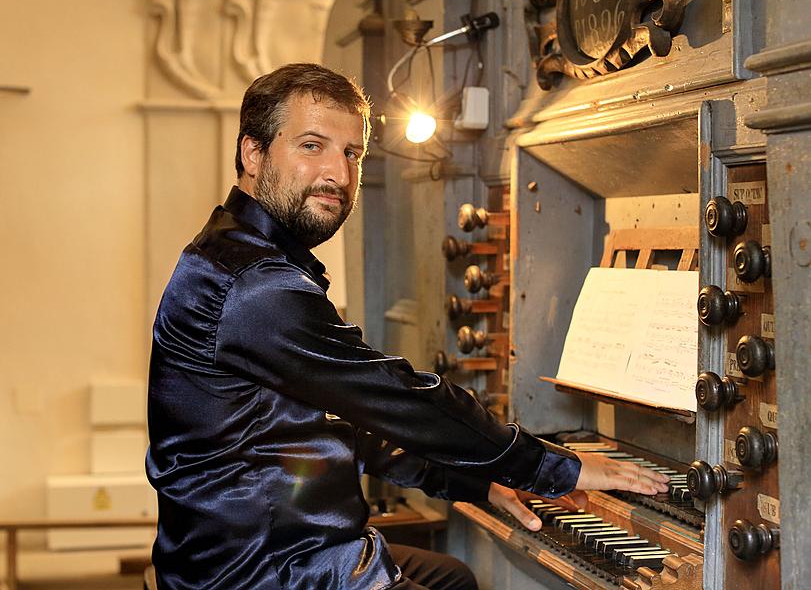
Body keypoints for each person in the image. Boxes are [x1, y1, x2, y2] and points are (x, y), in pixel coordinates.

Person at [145, 62, 669, 590]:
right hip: (259, 570)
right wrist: (553, 467)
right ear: (252, 153)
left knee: (453, 579)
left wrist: (478, 479)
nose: (339, 175)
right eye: (312, 146)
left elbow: (338, 423)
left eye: (352, 153)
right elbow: (397, 398)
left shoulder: (250, 258)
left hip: (274, 549)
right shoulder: (255, 286)